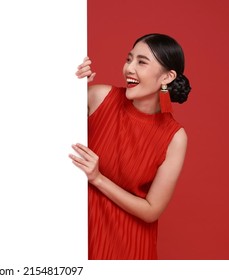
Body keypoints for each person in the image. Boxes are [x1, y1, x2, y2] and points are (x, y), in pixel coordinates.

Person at [69, 33, 191, 259]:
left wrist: (97, 178)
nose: (128, 69)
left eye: (141, 62)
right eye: (128, 59)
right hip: (79, 239)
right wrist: (69, 86)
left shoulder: (175, 137)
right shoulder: (99, 96)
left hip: (129, 248)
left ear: (167, 76)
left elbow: (151, 210)